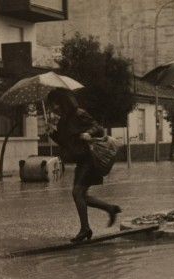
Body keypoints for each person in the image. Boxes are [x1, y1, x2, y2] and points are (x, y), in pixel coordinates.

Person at [45, 88, 121, 242]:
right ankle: (110, 209)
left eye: (55, 105)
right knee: (81, 195)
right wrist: (52, 133)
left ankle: (85, 228)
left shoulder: (79, 114)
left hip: (89, 158)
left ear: (63, 102)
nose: (53, 108)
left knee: (77, 193)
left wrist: (89, 134)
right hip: (80, 160)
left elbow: (98, 128)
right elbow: (65, 143)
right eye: (51, 106)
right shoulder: (62, 121)